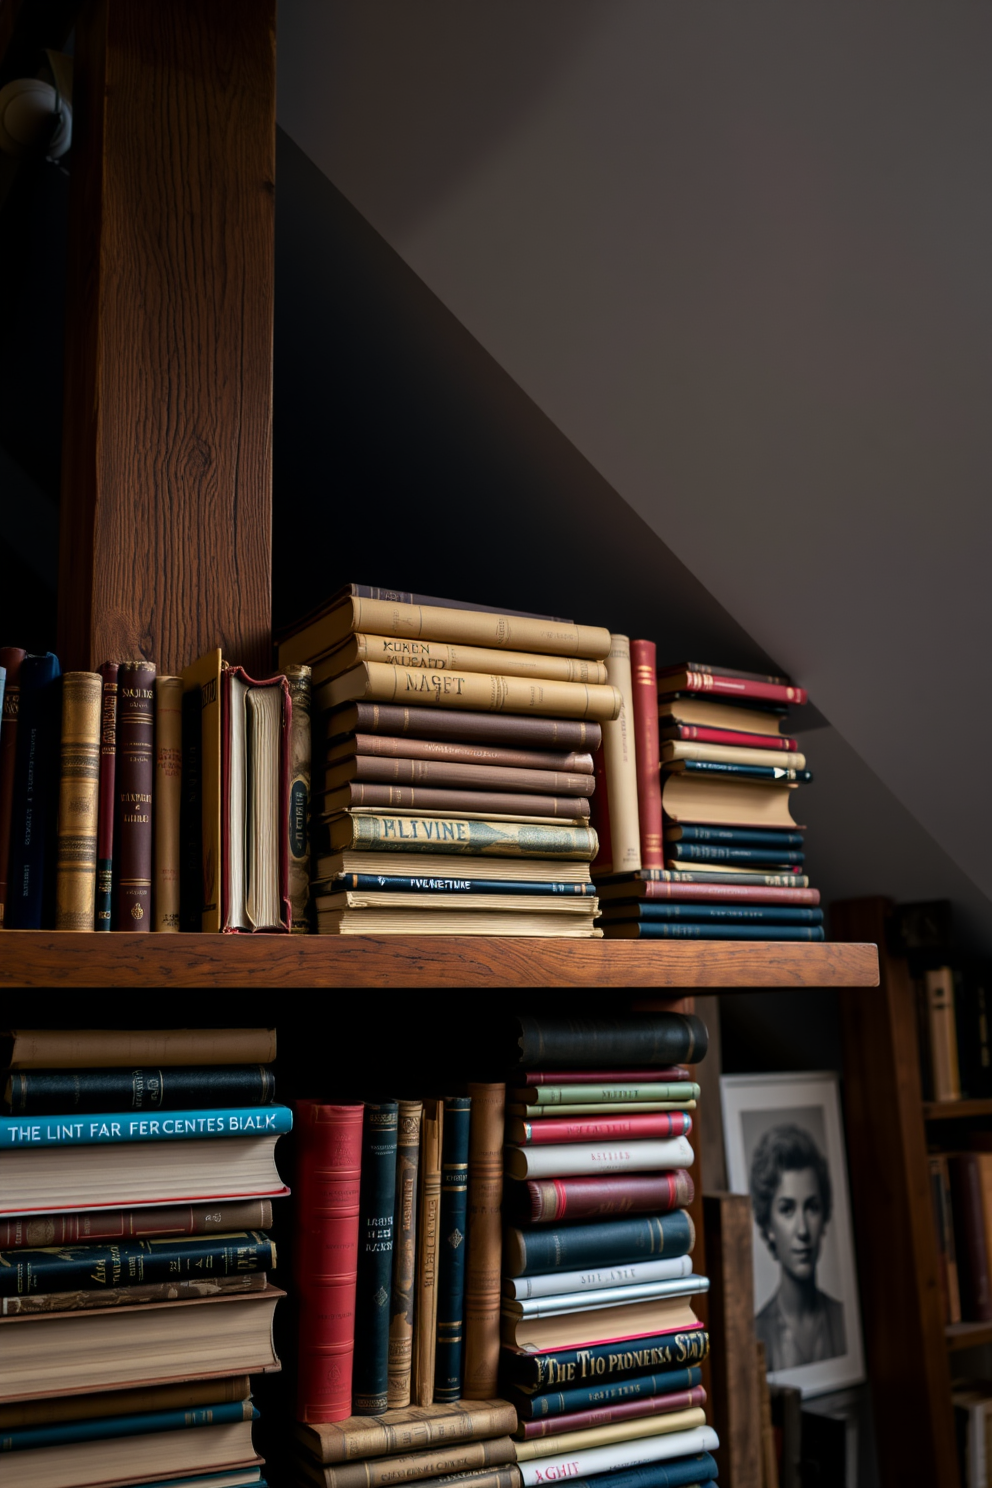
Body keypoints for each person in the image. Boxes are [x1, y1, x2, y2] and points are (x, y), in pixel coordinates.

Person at [750, 1122, 846, 1370]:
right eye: (787, 1209)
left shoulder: (845, 1319)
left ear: (824, 1218)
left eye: (812, 1207)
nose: (802, 1230)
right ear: (768, 1225)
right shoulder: (757, 1333)